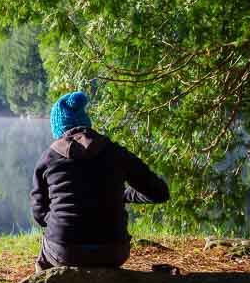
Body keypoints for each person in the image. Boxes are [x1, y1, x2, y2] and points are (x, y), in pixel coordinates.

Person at [31, 91, 169, 272]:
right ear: (86, 123)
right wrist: (122, 195)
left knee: (45, 253)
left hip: (65, 251)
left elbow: (39, 212)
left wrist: (59, 221)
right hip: (113, 251)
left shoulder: (48, 158)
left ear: (58, 130)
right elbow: (159, 193)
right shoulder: (115, 152)